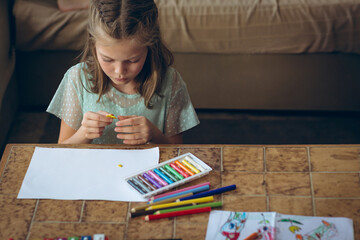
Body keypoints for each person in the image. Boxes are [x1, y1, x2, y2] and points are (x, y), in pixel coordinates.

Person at [47, 0, 199, 145]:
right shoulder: (78, 79)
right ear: (94, 46)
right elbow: (62, 149)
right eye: (108, 59)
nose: (119, 72)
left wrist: (155, 135)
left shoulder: (171, 82)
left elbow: (176, 152)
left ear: (151, 47)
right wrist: (83, 133)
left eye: (132, 60)